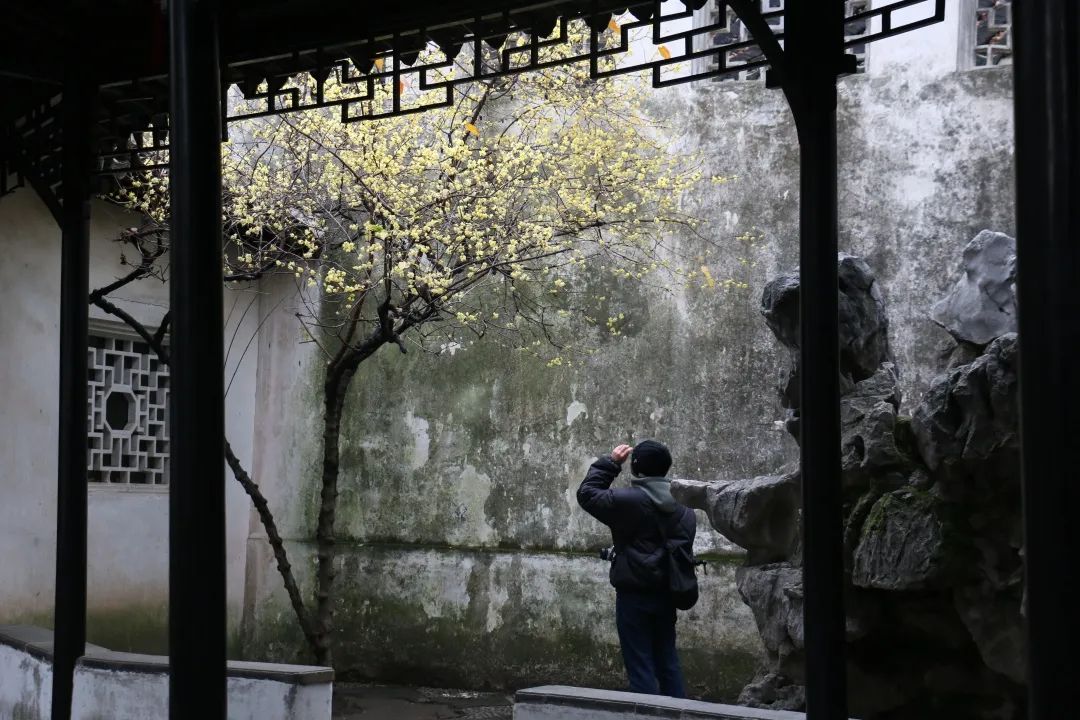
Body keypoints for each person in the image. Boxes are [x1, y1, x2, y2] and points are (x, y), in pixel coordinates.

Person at [576, 439, 696, 698]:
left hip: (634, 594)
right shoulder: (685, 509)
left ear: (637, 468)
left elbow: (587, 494)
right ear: (665, 468)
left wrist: (611, 463)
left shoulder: (626, 501)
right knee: (668, 662)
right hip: (668, 593)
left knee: (640, 665)